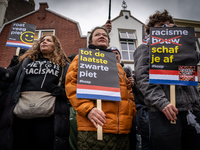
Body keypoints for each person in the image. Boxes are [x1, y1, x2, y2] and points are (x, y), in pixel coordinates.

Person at [134, 9, 200, 150]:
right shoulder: (145, 48)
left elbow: (196, 58)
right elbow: (143, 77)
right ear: (151, 31)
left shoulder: (182, 47)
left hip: (192, 110)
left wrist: (184, 38)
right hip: (164, 111)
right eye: (161, 26)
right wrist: (162, 102)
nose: (166, 28)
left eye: (169, 25)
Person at [65, 26, 136, 150]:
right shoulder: (80, 58)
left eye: (104, 35)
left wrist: (131, 112)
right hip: (95, 128)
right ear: (90, 41)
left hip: (123, 131)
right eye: (97, 34)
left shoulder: (118, 66)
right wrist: (88, 110)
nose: (102, 36)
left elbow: (128, 91)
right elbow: (72, 87)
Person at [0, 35, 70, 150]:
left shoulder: (64, 65)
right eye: (42, 40)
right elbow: (8, 75)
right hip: (21, 112)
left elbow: (72, 88)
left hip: (49, 115)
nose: (44, 42)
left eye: (48, 40)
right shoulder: (26, 61)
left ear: (55, 46)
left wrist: (63, 92)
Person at [109, 46, 137, 150]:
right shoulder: (105, 69)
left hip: (128, 112)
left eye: (117, 53)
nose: (115, 55)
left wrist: (134, 85)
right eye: (112, 53)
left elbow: (138, 93)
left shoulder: (127, 71)